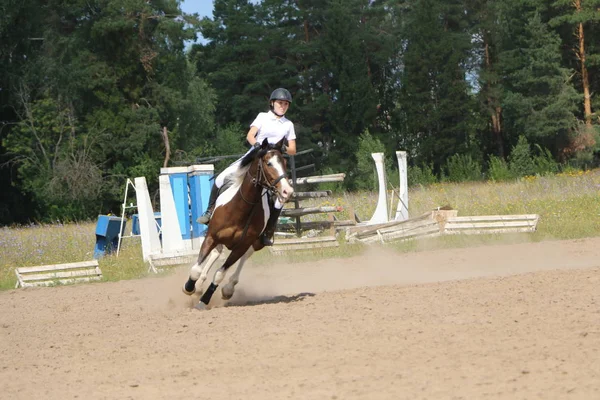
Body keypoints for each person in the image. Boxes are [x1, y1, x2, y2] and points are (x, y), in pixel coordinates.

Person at [198, 88, 297, 246]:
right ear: (272, 103)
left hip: (272, 164)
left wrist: (280, 149)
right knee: (220, 179)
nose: (283, 106)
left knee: (282, 197)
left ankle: (268, 231)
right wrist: (257, 145)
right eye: (280, 103)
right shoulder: (262, 117)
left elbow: (293, 149)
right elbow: (250, 135)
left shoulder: (288, 124)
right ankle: (210, 211)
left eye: (285, 104)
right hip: (254, 156)